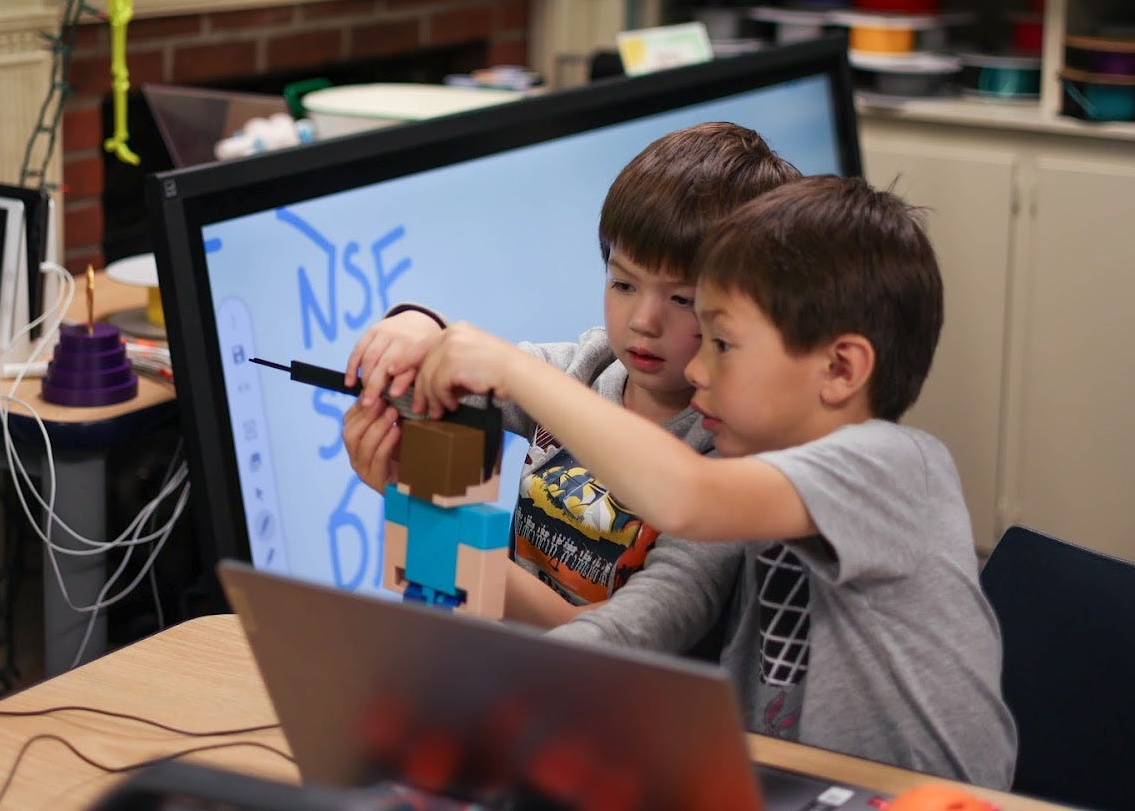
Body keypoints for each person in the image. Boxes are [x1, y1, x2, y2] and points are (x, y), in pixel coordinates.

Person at [403, 175, 1018, 788]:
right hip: (793, 785)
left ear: (840, 368)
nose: (697, 369)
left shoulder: (891, 467)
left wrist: (509, 369)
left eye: (722, 344)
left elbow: (685, 498)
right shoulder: (757, 469)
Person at [342, 122, 801, 629]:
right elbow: (454, 380)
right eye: (623, 284)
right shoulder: (590, 364)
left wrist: (436, 534)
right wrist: (419, 326)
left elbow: (619, 637)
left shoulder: (731, 451)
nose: (643, 322)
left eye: (681, 299)